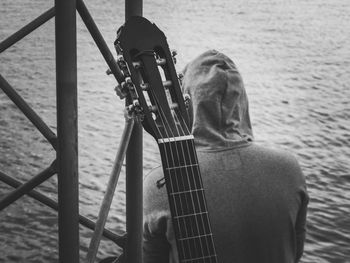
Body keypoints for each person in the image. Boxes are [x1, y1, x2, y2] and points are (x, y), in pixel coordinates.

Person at [143, 50, 309, 263]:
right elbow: (295, 252)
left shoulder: (159, 184)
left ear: (187, 103)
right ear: (242, 102)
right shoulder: (289, 168)